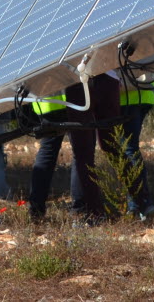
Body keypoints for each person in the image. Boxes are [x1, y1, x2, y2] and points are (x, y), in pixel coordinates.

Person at [27, 72, 122, 223]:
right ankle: (79, 207)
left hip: (47, 103)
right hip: (74, 99)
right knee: (82, 154)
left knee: (48, 151)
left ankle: (36, 209)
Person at [117, 73, 154, 219]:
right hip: (145, 94)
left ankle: (138, 204)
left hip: (126, 97)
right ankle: (140, 202)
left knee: (129, 149)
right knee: (131, 149)